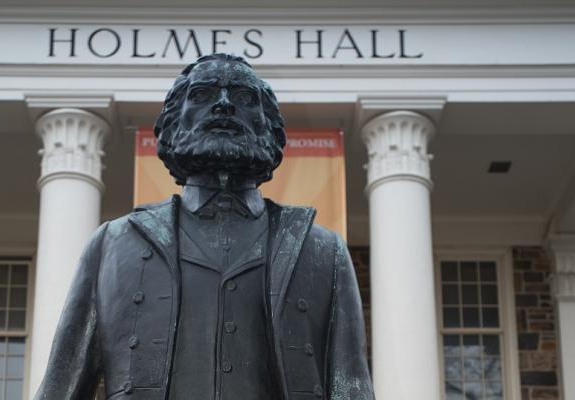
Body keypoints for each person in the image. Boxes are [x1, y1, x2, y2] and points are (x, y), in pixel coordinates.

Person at [35, 53, 374, 400]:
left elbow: (352, 388)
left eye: (243, 98)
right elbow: (61, 389)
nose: (224, 106)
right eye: (203, 95)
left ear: (269, 127)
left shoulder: (322, 251)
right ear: (171, 125)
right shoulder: (111, 244)